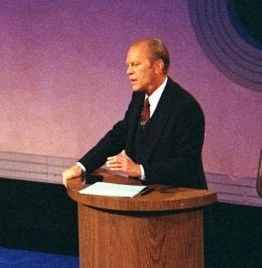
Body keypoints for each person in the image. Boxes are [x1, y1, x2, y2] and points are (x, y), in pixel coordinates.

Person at [62, 38, 207, 189]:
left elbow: (186, 164)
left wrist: (139, 170)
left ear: (157, 66)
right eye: (128, 65)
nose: (129, 71)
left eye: (136, 64)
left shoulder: (186, 107)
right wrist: (81, 166)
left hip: (182, 202)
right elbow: (119, 135)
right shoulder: (139, 97)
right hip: (144, 198)